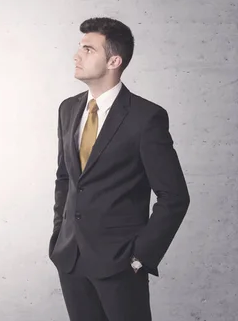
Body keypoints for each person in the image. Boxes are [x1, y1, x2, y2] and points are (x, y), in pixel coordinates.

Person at [48, 17, 190, 321]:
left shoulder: (145, 118)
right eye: (80, 48)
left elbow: (174, 197)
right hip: (71, 258)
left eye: (88, 49)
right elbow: (65, 178)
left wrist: (140, 258)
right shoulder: (68, 109)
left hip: (120, 263)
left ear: (114, 60)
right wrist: (59, 234)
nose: (77, 55)